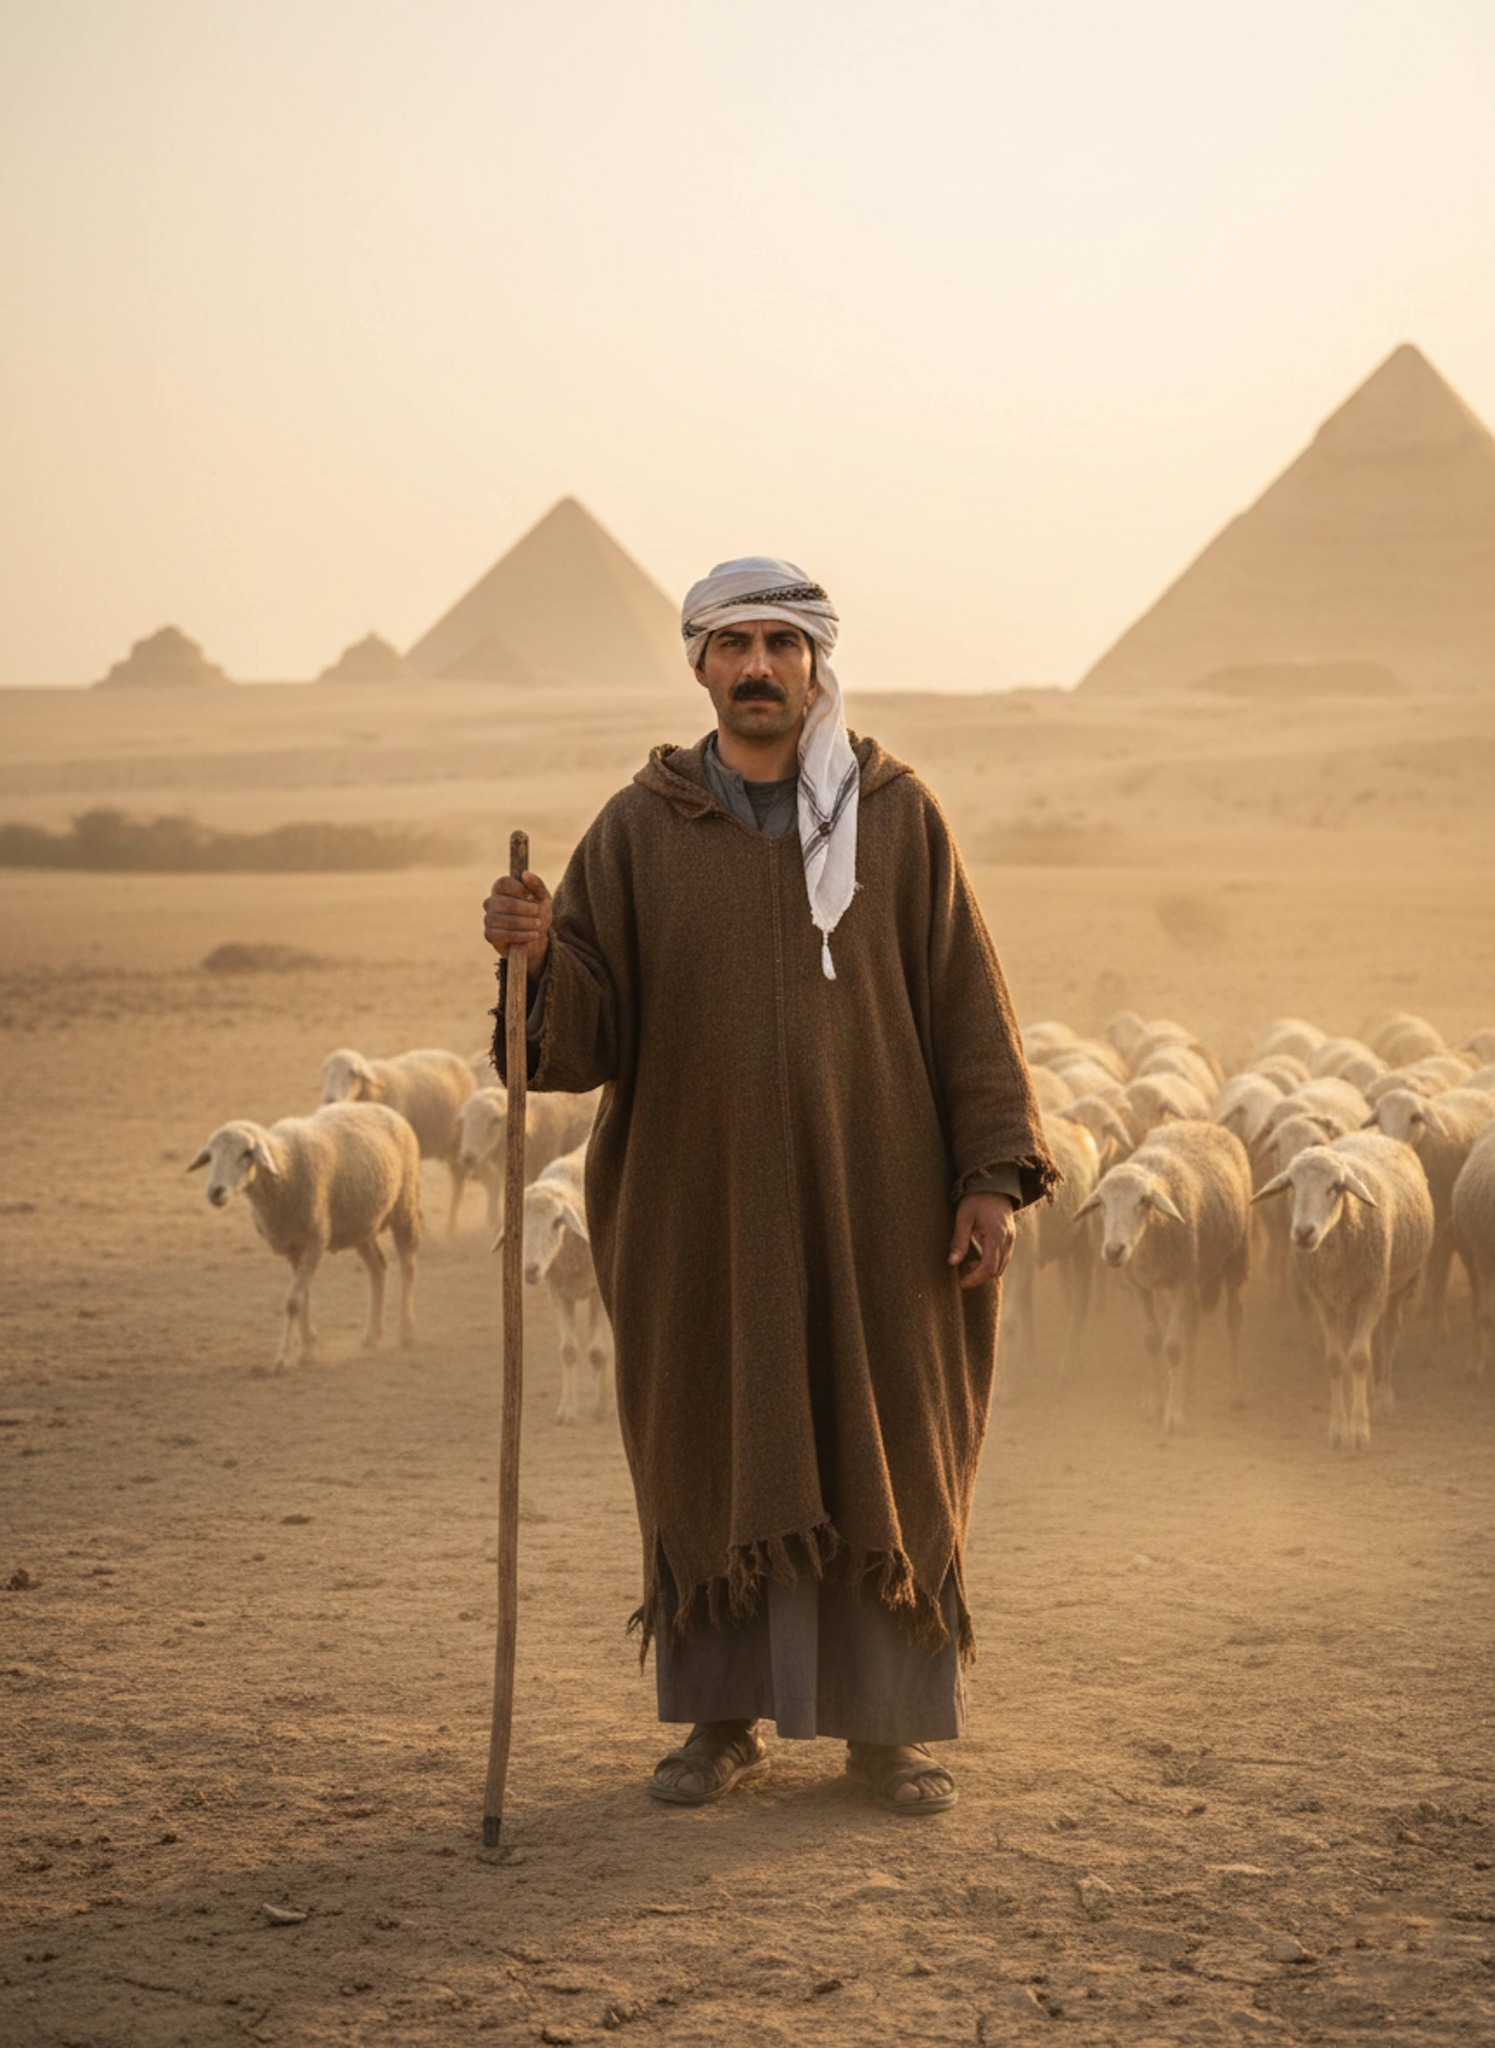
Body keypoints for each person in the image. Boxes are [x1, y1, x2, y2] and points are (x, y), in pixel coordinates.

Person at [483, 558, 1057, 1815]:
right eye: (732, 644)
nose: (756, 667)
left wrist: (989, 1178)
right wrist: (535, 957)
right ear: (698, 665)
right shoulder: (639, 829)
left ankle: (886, 1734)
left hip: (881, 1211)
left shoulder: (897, 816)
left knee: (884, 1445)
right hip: (700, 1211)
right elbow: (576, 1040)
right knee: (712, 1439)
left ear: (814, 663)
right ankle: (718, 1722)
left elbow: (966, 1000)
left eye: (779, 645)